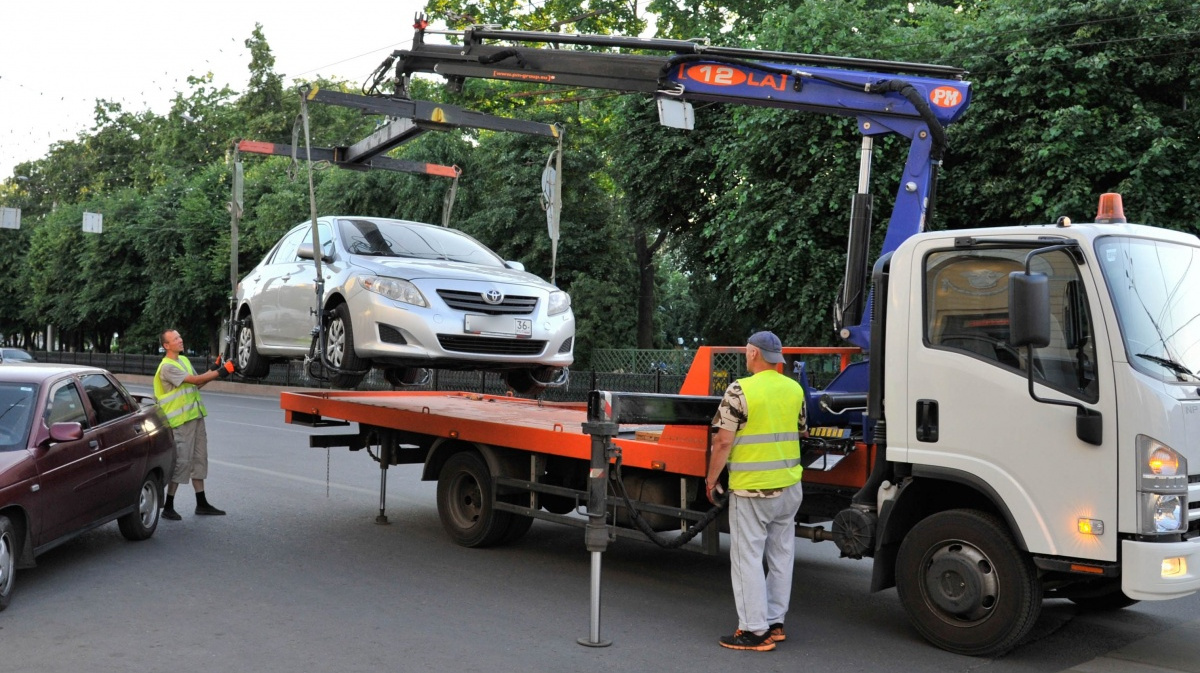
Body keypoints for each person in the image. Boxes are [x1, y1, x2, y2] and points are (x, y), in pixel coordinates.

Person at [705, 331, 806, 652]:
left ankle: (753, 631)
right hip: (790, 486)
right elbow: (800, 430)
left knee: (747, 557)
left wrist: (711, 479)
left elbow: (722, 441)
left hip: (753, 490)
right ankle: (775, 623)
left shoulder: (739, 390)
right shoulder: (794, 389)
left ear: (752, 354)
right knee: (781, 555)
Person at [153, 329, 232, 520]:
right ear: (166, 346)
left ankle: (201, 503)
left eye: (180, 336)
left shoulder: (184, 361)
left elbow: (197, 384)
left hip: (195, 417)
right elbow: (196, 380)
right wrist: (221, 371)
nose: (181, 340)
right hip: (180, 422)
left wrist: (215, 368)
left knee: (199, 459)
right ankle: (169, 506)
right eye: (176, 339)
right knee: (182, 462)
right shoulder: (167, 367)